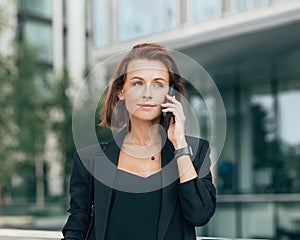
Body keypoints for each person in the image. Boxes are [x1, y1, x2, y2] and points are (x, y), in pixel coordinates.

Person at [62, 43, 216, 240]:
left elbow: (199, 214)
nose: (148, 93)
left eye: (158, 84)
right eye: (137, 83)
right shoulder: (89, 159)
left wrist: (180, 146)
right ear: (121, 92)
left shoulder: (195, 152)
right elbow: (76, 227)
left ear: (170, 94)